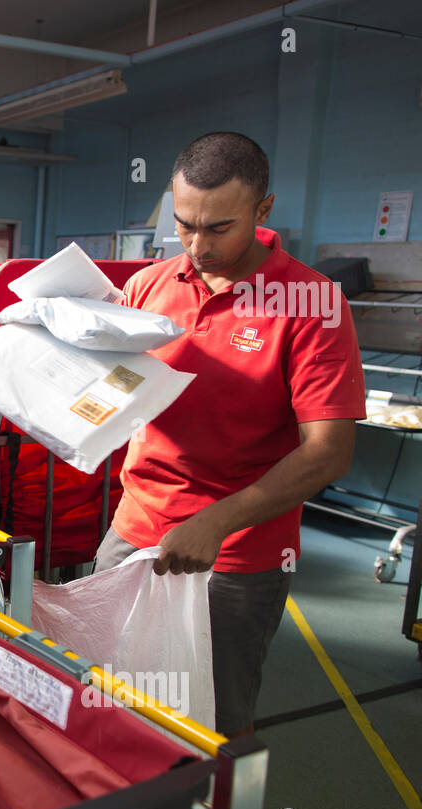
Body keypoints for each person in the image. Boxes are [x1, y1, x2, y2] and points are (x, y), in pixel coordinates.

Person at [93, 131, 366, 737]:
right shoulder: (149, 286)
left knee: (212, 719)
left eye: (218, 228)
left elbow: (328, 453)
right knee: (103, 690)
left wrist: (216, 522)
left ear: (263, 210)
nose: (197, 245)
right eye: (185, 224)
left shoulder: (311, 304)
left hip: (236, 555)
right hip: (131, 528)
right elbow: (120, 390)